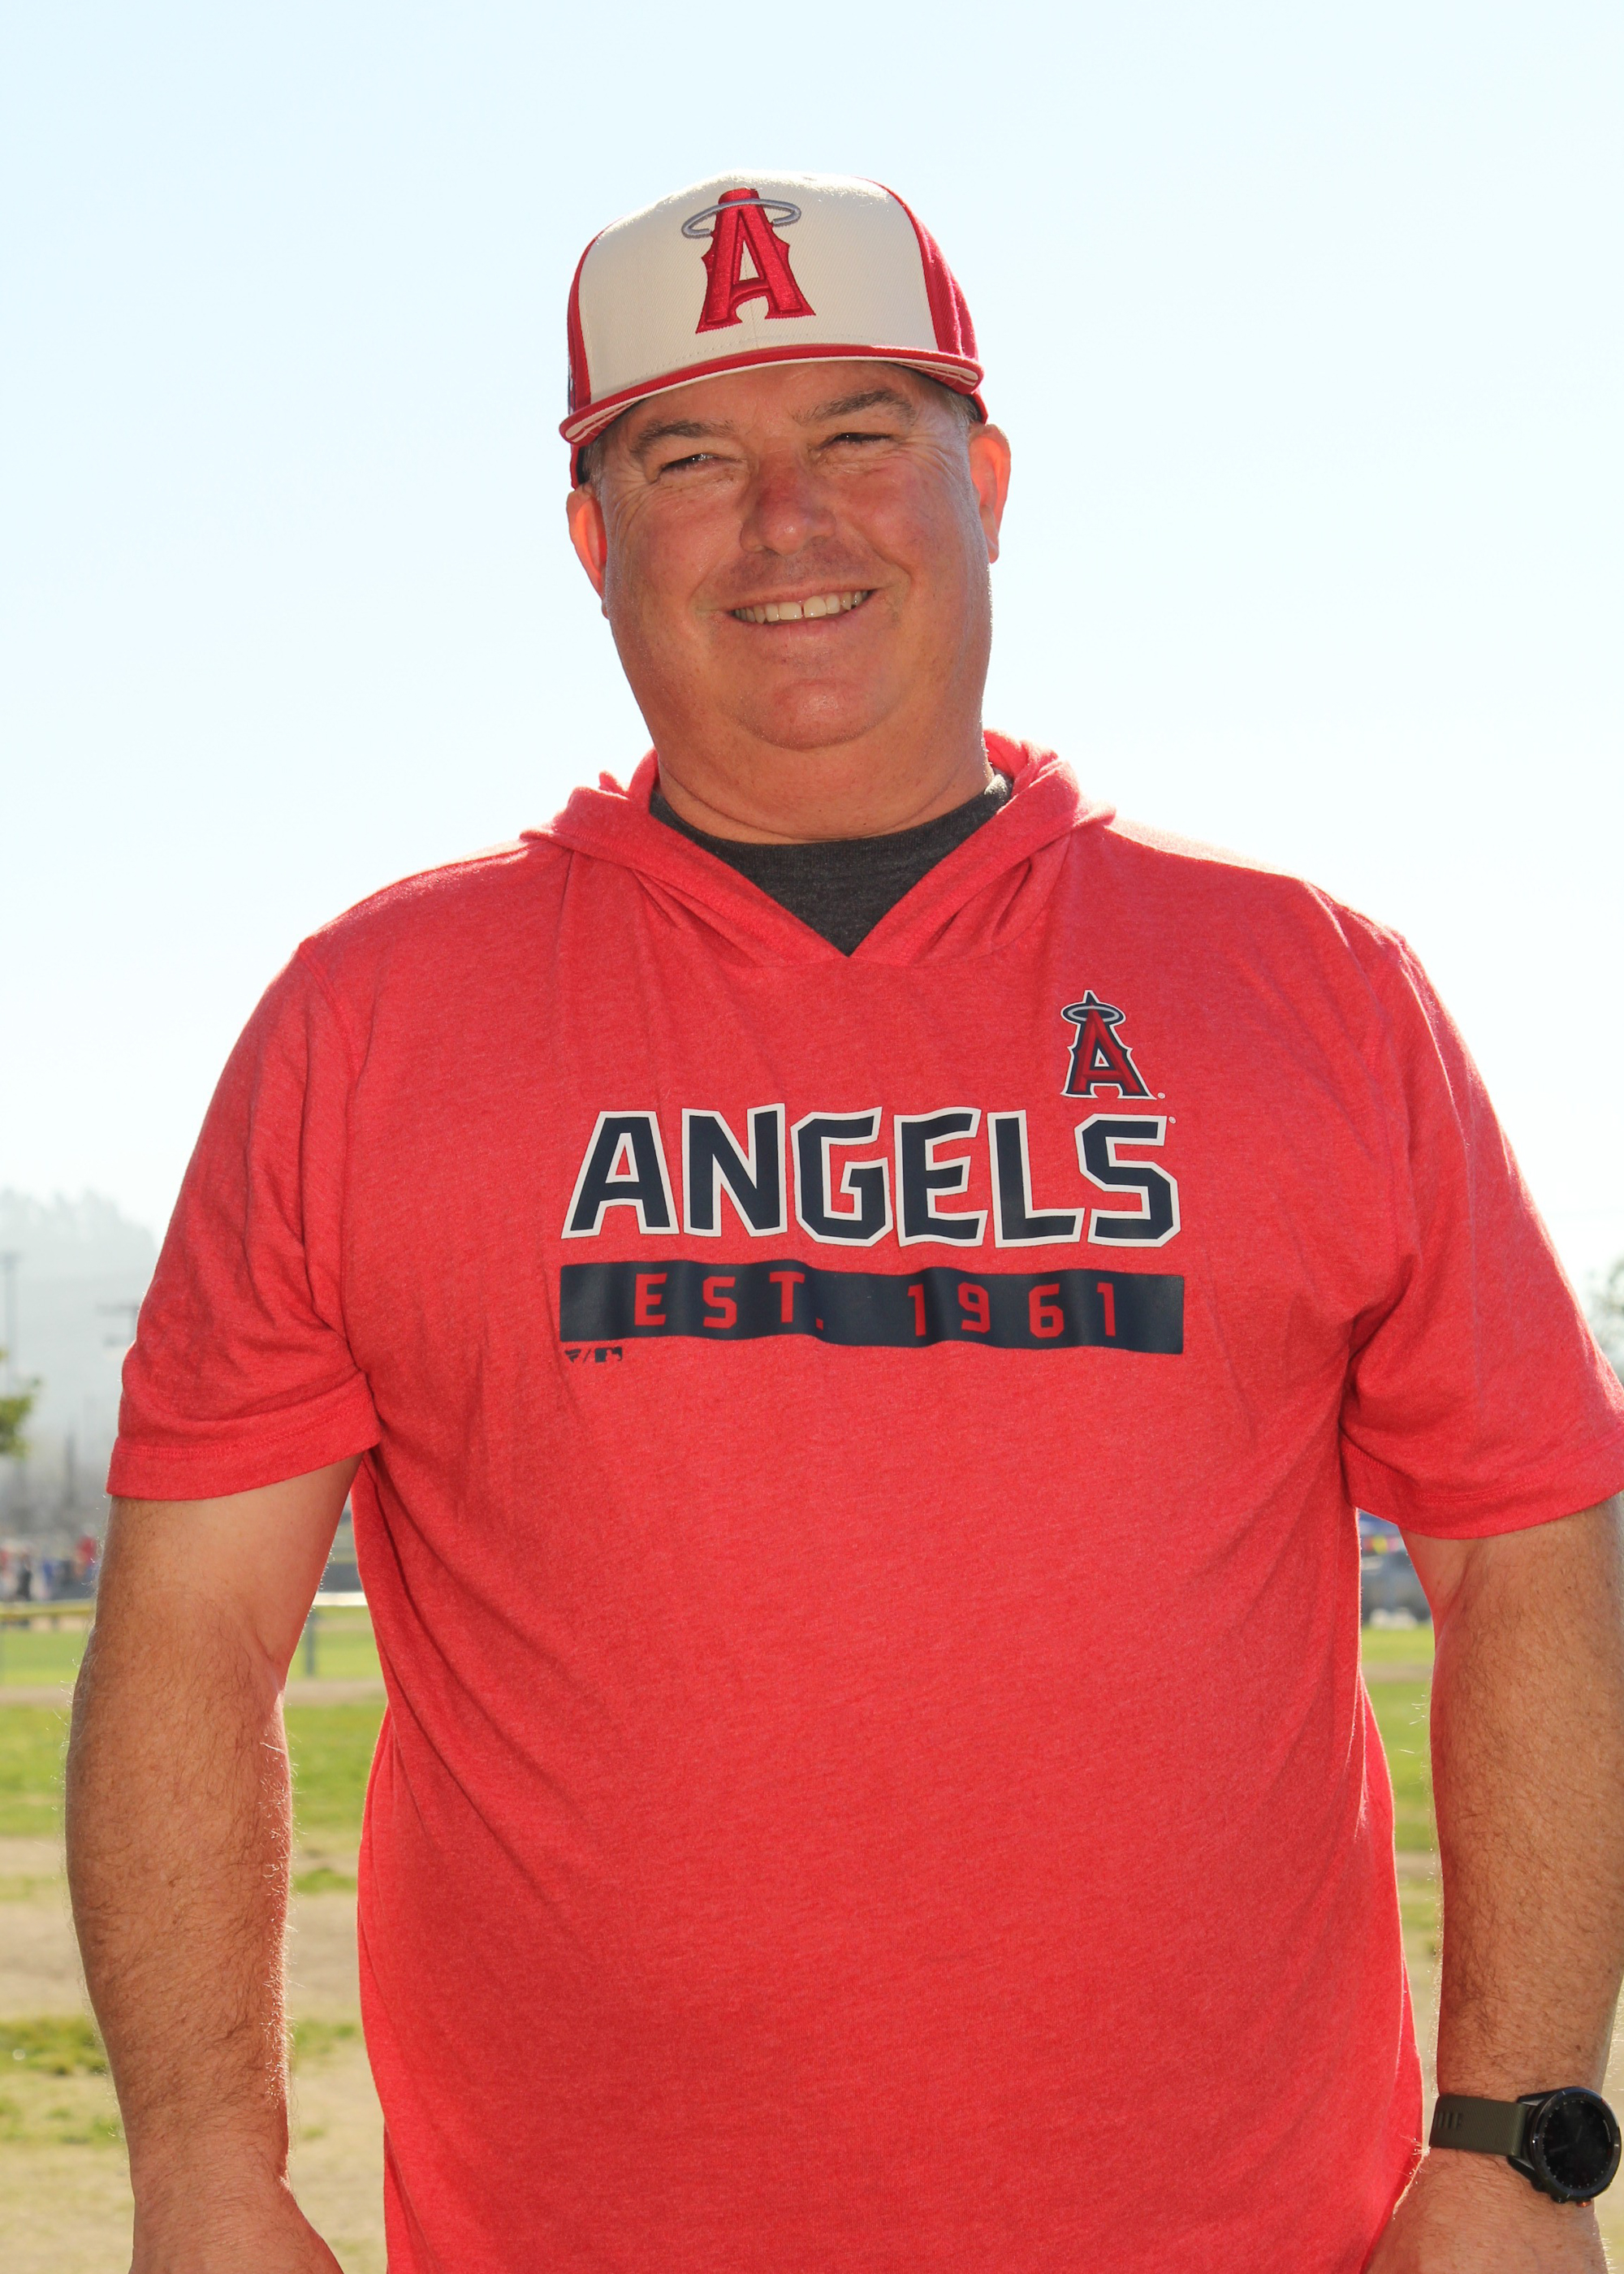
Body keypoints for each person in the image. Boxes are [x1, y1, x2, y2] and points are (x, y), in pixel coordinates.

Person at [69, 171, 1624, 2273]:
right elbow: (189, 1630)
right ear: (591, 540)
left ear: (988, 482)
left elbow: (1530, 1556)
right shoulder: (371, 1023)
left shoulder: (1315, 991)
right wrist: (200, 2175)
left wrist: (1518, 2149)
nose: (787, 522)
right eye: (690, 460)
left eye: (861, 435)